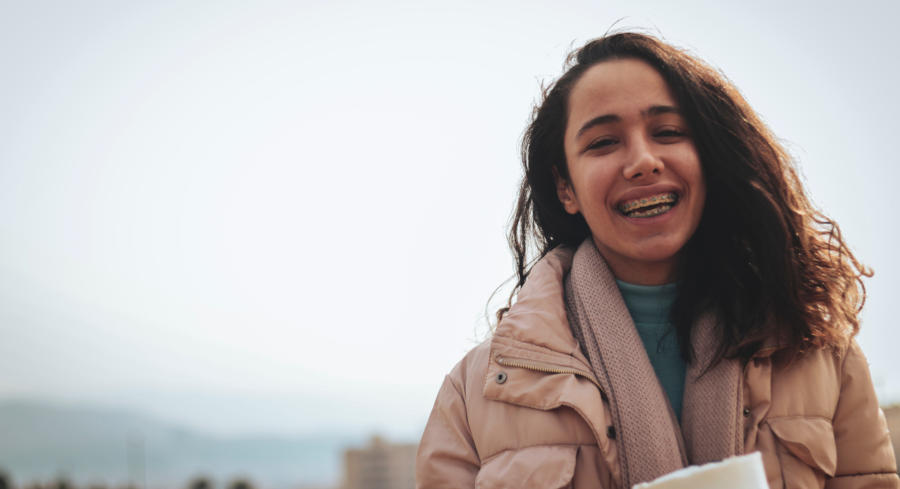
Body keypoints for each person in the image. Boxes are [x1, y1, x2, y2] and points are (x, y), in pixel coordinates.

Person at [415, 32, 899, 489]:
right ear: (566, 188)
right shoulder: (477, 392)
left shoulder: (821, 354)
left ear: (708, 156)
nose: (643, 160)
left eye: (668, 131)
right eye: (604, 142)